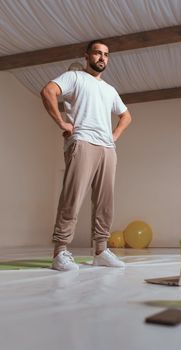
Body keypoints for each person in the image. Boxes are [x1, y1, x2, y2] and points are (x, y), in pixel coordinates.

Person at [41, 40, 132, 271]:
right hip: (82, 142)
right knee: (72, 198)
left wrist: (114, 136)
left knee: (105, 203)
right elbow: (48, 91)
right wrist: (61, 122)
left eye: (106, 55)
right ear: (87, 56)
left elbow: (126, 116)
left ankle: (101, 251)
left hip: (107, 149)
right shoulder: (74, 77)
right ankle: (60, 252)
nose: (102, 58)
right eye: (97, 53)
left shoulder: (110, 90)